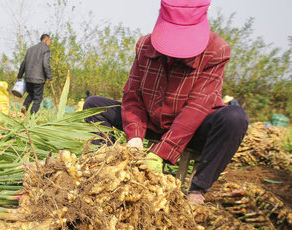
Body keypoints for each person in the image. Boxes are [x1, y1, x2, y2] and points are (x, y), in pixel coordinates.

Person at [83, 0, 248, 204]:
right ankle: (106, 169)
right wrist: (134, 136)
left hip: (191, 129)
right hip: (152, 121)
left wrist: (161, 153)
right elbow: (132, 94)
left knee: (234, 118)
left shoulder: (216, 50)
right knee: (93, 106)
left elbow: (197, 107)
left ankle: (197, 191)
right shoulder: (145, 45)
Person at [17, 34, 53, 114]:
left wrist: (19, 75)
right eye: (49, 41)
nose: (49, 43)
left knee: (31, 94)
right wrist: (50, 77)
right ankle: (31, 116)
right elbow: (46, 64)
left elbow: (24, 63)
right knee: (38, 99)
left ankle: (25, 106)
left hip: (28, 78)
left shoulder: (30, 49)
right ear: (46, 40)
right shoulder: (46, 49)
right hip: (38, 79)